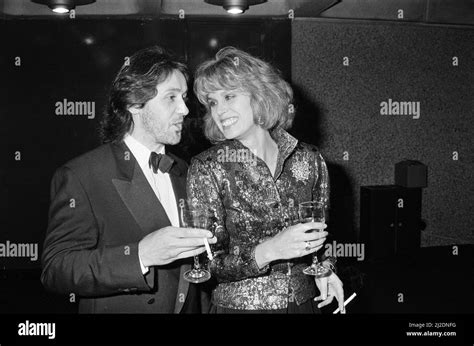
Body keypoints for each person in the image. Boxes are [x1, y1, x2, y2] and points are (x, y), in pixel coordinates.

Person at [41, 46, 216, 313]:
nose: (184, 109)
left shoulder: (186, 169)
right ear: (134, 103)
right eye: (171, 98)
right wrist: (140, 256)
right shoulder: (82, 175)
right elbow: (57, 269)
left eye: (183, 97)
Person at [188, 47, 345, 313]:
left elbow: (322, 234)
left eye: (229, 96)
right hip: (239, 309)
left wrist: (325, 270)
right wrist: (270, 250)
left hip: (302, 304)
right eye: (212, 102)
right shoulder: (208, 166)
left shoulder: (309, 158)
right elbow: (206, 263)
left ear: (259, 95)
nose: (219, 110)